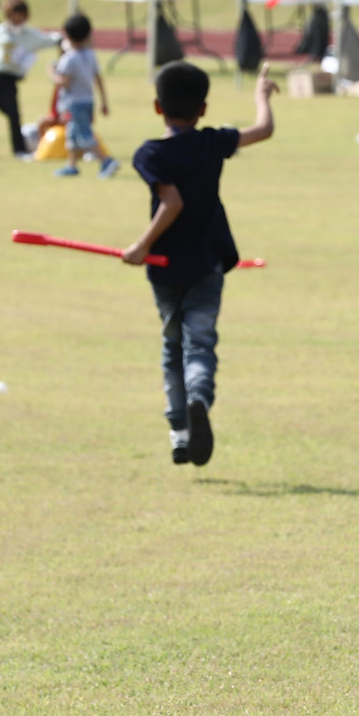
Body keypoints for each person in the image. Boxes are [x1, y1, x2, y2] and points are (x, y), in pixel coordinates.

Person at [122, 61, 275, 467]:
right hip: (207, 262)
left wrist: (140, 246)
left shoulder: (150, 154)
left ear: (158, 106)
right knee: (201, 343)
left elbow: (172, 203)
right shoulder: (211, 143)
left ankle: (179, 432)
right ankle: (199, 398)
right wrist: (261, 96)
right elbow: (263, 131)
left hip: (166, 266)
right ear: (203, 109)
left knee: (173, 348)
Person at [0, 0, 61, 158]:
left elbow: (48, 39)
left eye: (21, 16)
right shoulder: (0, 29)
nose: (17, 19)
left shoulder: (29, 34)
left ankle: (19, 149)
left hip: (9, 80)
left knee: (14, 116)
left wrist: (64, 38)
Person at [51, 12, 117, 179]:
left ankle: (106, 161)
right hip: (88, 100)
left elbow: (64, 82)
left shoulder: (69, 58)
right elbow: (98, 78)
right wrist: (104, 101)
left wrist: (52, 73)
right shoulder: (90, 54)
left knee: (84, 134)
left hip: (74, 102)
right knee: (72, 134)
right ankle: (71, 165)